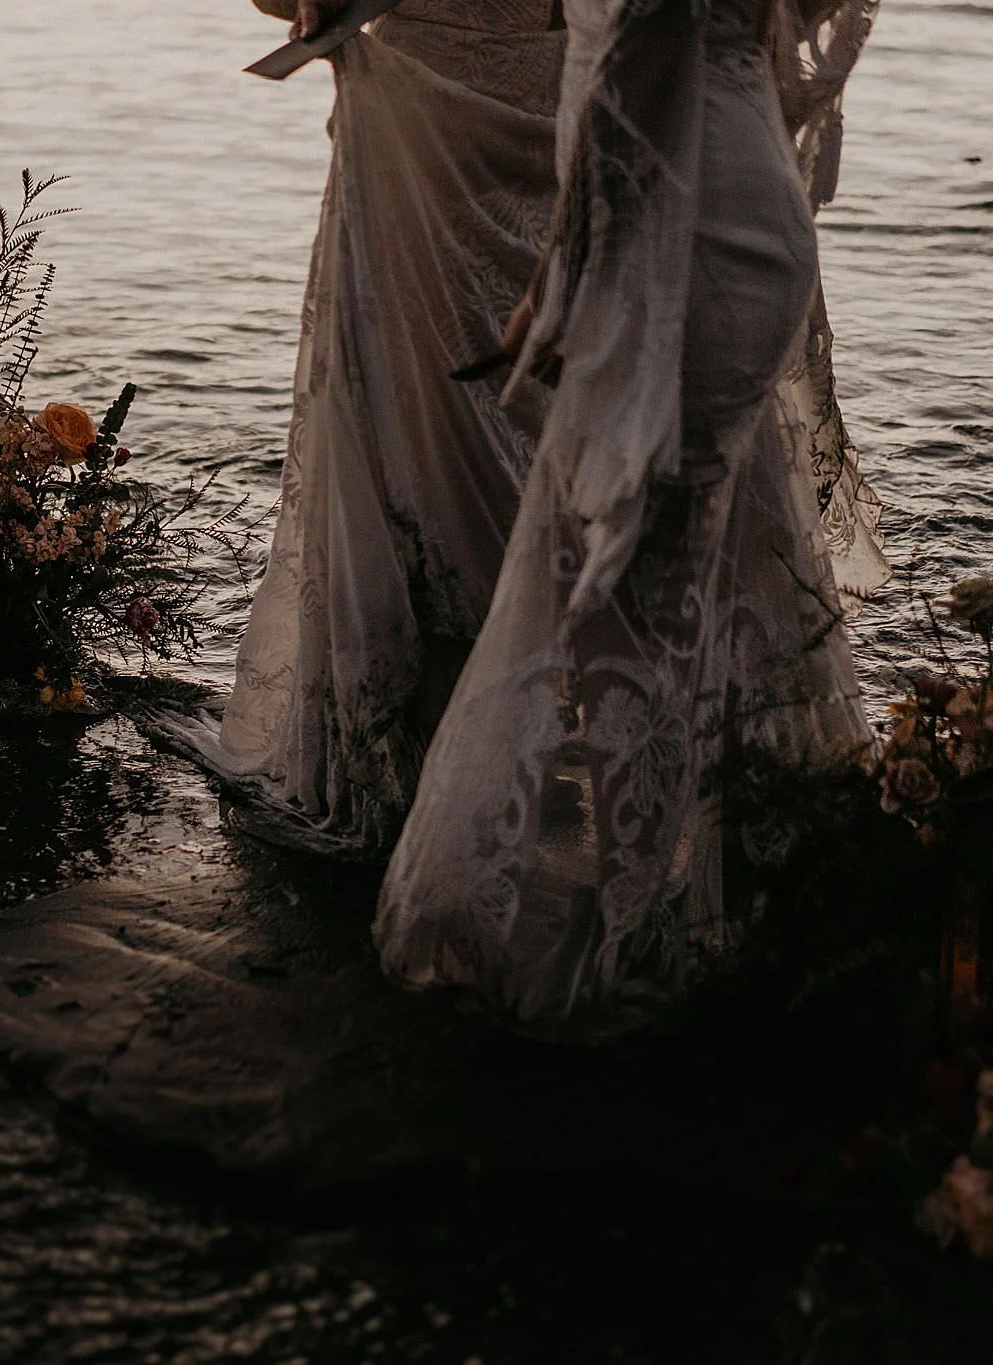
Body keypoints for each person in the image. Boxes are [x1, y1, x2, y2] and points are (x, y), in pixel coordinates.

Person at [373, 0, 883, 1039]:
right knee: (653, 582)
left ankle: (622, 948)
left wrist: (568, 273)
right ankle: (684, 896)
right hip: (704, 203)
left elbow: (640, 43)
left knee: (608, 601)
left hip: (676, 232)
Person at [160, 0, 570, 857]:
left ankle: (436, 740)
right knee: (517, 422)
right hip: (540, 111)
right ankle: (520, 707)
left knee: (423, 424)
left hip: (431, 130)